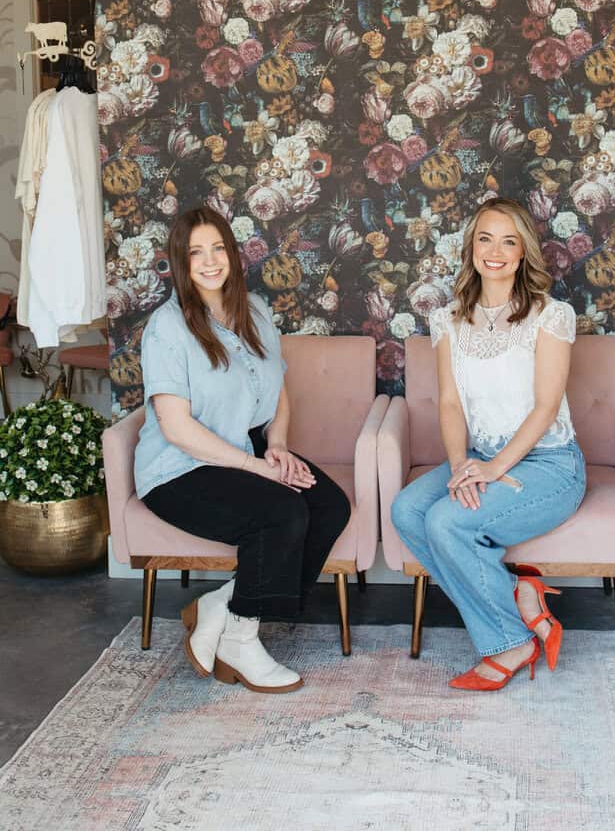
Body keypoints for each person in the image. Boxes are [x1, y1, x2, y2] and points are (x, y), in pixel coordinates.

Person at [134, 206, 351, 693]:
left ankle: (223, 606)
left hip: (245, 444)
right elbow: (176, 427)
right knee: (281, 512)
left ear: (232, 253)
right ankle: (240, 639)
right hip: (179, 468)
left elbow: (278, 390)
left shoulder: (254, 309)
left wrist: (278, 446)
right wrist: (256, 467)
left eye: (218, 249)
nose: (210, 261)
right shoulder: (166, 328)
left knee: (329, 505)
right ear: (180, 262)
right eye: (196, 253)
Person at [391, 197, 586, 691]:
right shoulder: (449, 319)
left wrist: (494, 469)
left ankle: (510, 642)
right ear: (471, 247)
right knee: (407, 511)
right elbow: (450, 403)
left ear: (523, 252)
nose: (495, 252)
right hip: (479, 456)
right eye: (485, 239)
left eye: (508, 241)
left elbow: (546, 407)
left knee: (446, 520)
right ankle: (519, 592)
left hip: (549, 464)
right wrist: (461, 465)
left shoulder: (550, 315)